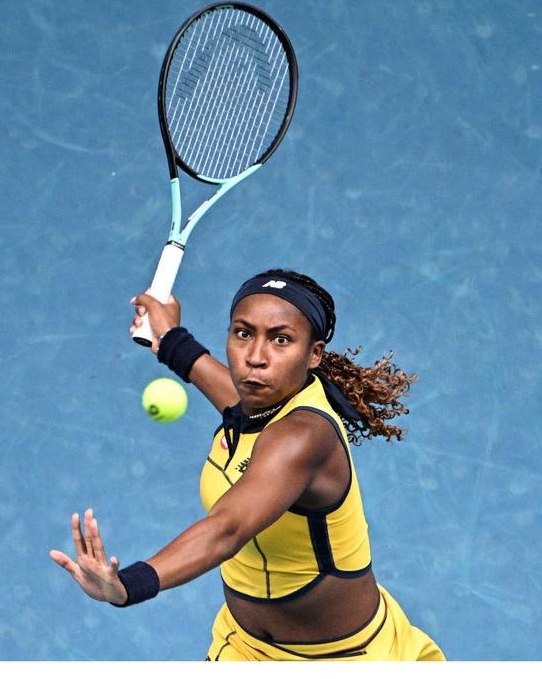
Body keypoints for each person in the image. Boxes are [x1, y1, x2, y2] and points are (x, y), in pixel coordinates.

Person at [50, 268, 445, 661]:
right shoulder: (261, 404)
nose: (255, 358)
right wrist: (169, 338)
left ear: (314, 354)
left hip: (342, 657)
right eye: (243, 333)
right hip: (243, 647)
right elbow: (229, 393)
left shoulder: (303, 437)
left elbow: (228, 528)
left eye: (281, 339)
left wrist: (128, 586)